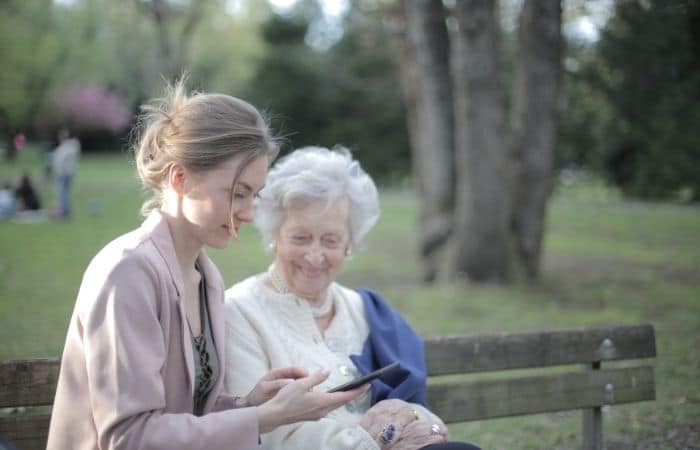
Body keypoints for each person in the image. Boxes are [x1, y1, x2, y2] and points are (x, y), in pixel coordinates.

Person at [46, 83, 366, 450]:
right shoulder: (128, 273)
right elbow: (130, 438)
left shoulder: (205, 276)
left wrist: (249, 403)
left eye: (254, 195)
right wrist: (263, 418)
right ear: (180, 179)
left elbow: (188, 414)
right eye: (236, 193)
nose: (247, 213)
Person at [224, 146, 480, 450]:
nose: (315, 255)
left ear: (349, 245)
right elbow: (265, 433)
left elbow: (418, 410)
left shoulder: (365, 310)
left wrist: (415, 420)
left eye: (331, 240)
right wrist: (372, 442)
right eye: (301, 237)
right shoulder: (239, 311)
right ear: (274, 236)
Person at [51, 127, 81, 218]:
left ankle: (65, 212)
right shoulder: (69, 147)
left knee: (62, 193)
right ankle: (65, 211)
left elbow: (61, 161)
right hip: (66, 173)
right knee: (63, 193)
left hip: (64, 174)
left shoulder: (68, 147)